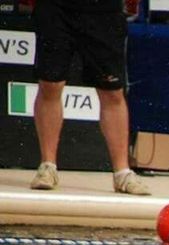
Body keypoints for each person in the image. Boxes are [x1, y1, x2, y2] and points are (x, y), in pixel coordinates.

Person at [29, 0, 151, 195]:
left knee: (112, 91)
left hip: (103, 11)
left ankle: (122, 173)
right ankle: (47, 166)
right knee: (51, 84)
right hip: (55, 8)